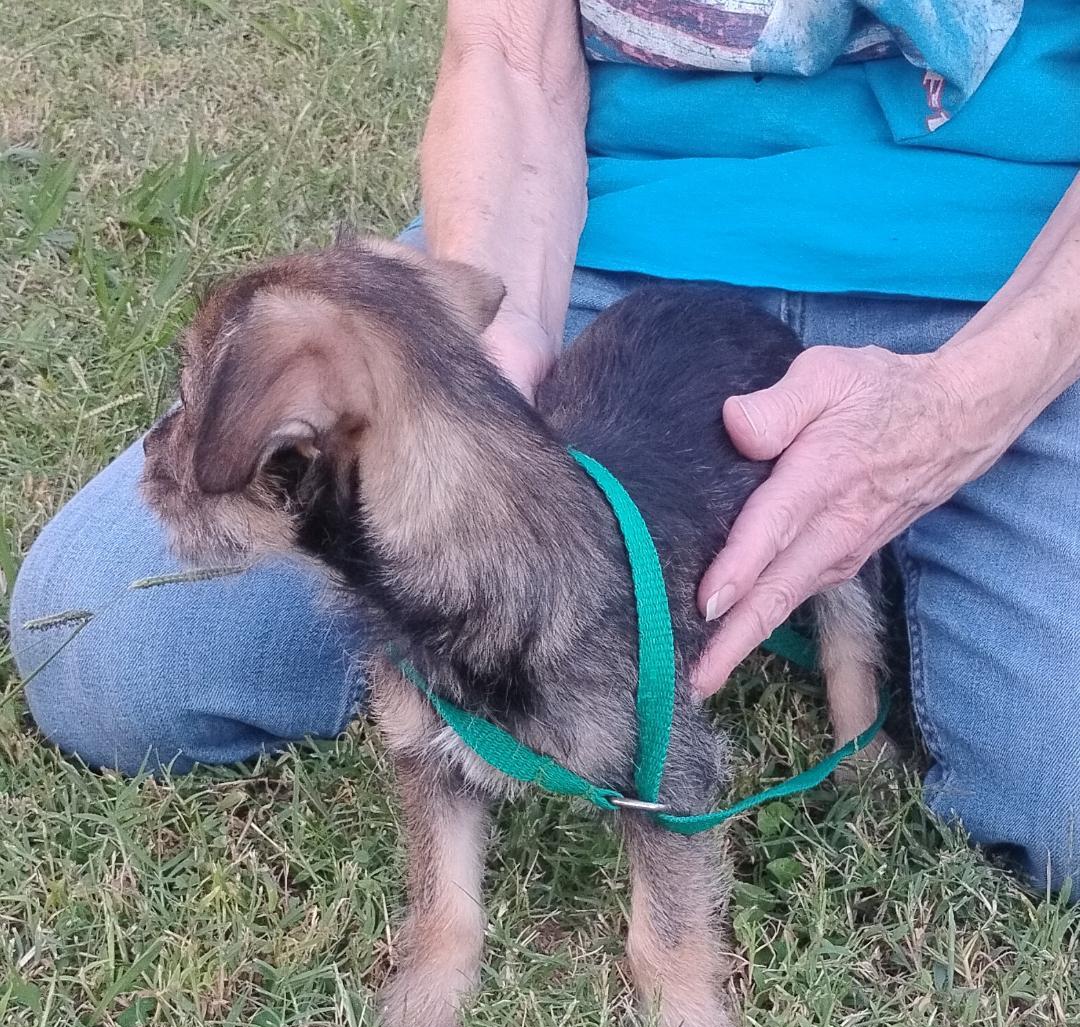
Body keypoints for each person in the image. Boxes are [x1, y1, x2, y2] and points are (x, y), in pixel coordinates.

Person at [11, 0, 1080, 894]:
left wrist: (961, 407)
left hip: (1015, 267)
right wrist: (491, 344)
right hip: (615, 233)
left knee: (1063, 800)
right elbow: (509, 55)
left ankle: (899, 583)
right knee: (109, 648)